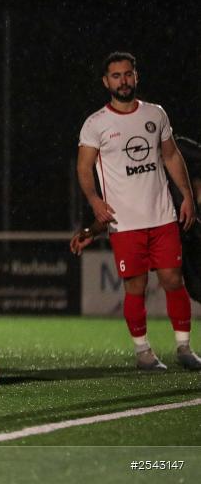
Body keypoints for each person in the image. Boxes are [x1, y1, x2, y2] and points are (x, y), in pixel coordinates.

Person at [75, 57, 199, 371]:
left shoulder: (155, 114)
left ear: (136, 76)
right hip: (125, 222)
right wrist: (94, 201)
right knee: (136, 287)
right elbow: (83, 167)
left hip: (162, 217)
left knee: (173, 280)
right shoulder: (96, 123)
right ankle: (143, 352)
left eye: (128, 74)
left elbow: (171, 156)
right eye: (116, 76)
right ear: (106, 82)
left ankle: (184, 347)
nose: (123, 81)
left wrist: (186, 196)